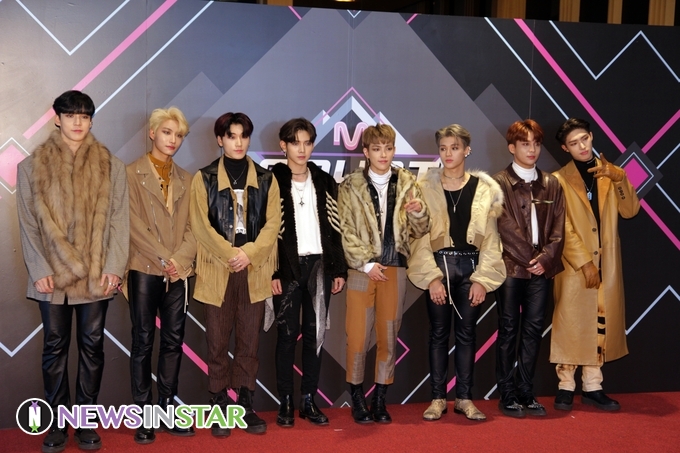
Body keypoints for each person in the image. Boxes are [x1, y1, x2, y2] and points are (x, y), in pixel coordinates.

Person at [17, 90, 129, 452]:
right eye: (70, 115)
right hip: (51, 276)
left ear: (91, 121)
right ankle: (55, 424)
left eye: (84, 116)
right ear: (58, 119)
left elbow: (119, 221)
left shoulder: (112, 166)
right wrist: (38, 268)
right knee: (54, 347)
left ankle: (84, 422)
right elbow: (28, 225)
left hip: (96, 275)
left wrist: (114, 268)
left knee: (92, 347)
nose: (77, 122)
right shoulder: (31, 167)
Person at [190, 112, 280, 437]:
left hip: (253, 271)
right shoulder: (204, 178)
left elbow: (272, 225)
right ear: (220, 139)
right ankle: (218, 405)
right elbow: (200, 226)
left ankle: (245, 404)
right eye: (231, 136)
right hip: (218, 270)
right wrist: (231, 254)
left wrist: (248, 254)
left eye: (244, 136)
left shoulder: (267, 179)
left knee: (249, 342)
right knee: (216, 341)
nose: (238, 142)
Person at [408, 124, 506, 422]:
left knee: (467, 335)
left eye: (454, 147)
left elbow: (492, 240)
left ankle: (464, 398)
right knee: (438, 334)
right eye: (443, 148)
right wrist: (432, 278)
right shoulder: (424, 188)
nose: (448, 153)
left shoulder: (485, 189)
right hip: (438, 267)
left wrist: (482, 280)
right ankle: (438, 398)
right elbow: (418, 239)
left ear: (467, 150)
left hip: (471, 269)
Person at [338, 124, 429, 424]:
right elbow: (345, 230)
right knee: (357, 337)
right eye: (376, 149)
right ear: (365, 152)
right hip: (362, 270)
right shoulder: (350, 185)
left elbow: (421, 229)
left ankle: (380, 399)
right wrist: (365, 263)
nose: (383, 154)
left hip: (394, 268)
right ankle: (357, 397)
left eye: (388, 148)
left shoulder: (407, 182)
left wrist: (417, 212)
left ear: (393, 150)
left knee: (388, 336)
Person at [550, 118, 639, 412]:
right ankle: (565, 386)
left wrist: (619, 177)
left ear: (591, 136)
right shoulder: (558, 179)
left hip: (608, 262)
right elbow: (560, 226)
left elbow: (630, 210)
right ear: (565, 148)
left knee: (600, 322)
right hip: (574, 264)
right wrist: (584, 262)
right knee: (570, 323)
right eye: (573, 143)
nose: (582, 147)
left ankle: (593, 386)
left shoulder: (610, 173)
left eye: (584, 139)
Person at [124, 107, 196, 443]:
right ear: (152, 133)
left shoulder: (188, 179)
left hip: (178, 273)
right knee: (142, 342)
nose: (173, 140)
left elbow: (195, 228)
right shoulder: (130, 173)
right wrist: (164, 257)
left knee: (173, 342)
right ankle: (144, 414)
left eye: (178, 135)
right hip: (144, 268)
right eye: (167, 132)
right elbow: (132, 225)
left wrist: (178, 260)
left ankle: (167, 409)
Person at [269, 118, 347, 427]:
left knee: (315, 337)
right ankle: (286, 401)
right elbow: (266, 232)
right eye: (295, 142)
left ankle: (308, 401)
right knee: (287, 337)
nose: (301, 149)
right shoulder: (271, 180)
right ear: (283, 145)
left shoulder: (325, 180)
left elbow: (336, 228)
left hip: (319, 268)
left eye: (307, 142)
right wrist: (273, 272)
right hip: (287, 269)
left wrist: (338, 268)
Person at [493, 120, 565, 418]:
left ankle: (526, 391)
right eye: (525, 144)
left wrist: (545, 259)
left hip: (542, 269)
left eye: (536, 143)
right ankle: (507, 393)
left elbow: (559, 228)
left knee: (534, 330)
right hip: (511, 267)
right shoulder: (498, 183)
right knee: (509, 329)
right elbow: (503, 226)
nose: (532, 149)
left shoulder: (552, 183)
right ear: (512, 147)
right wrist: (530, 258)